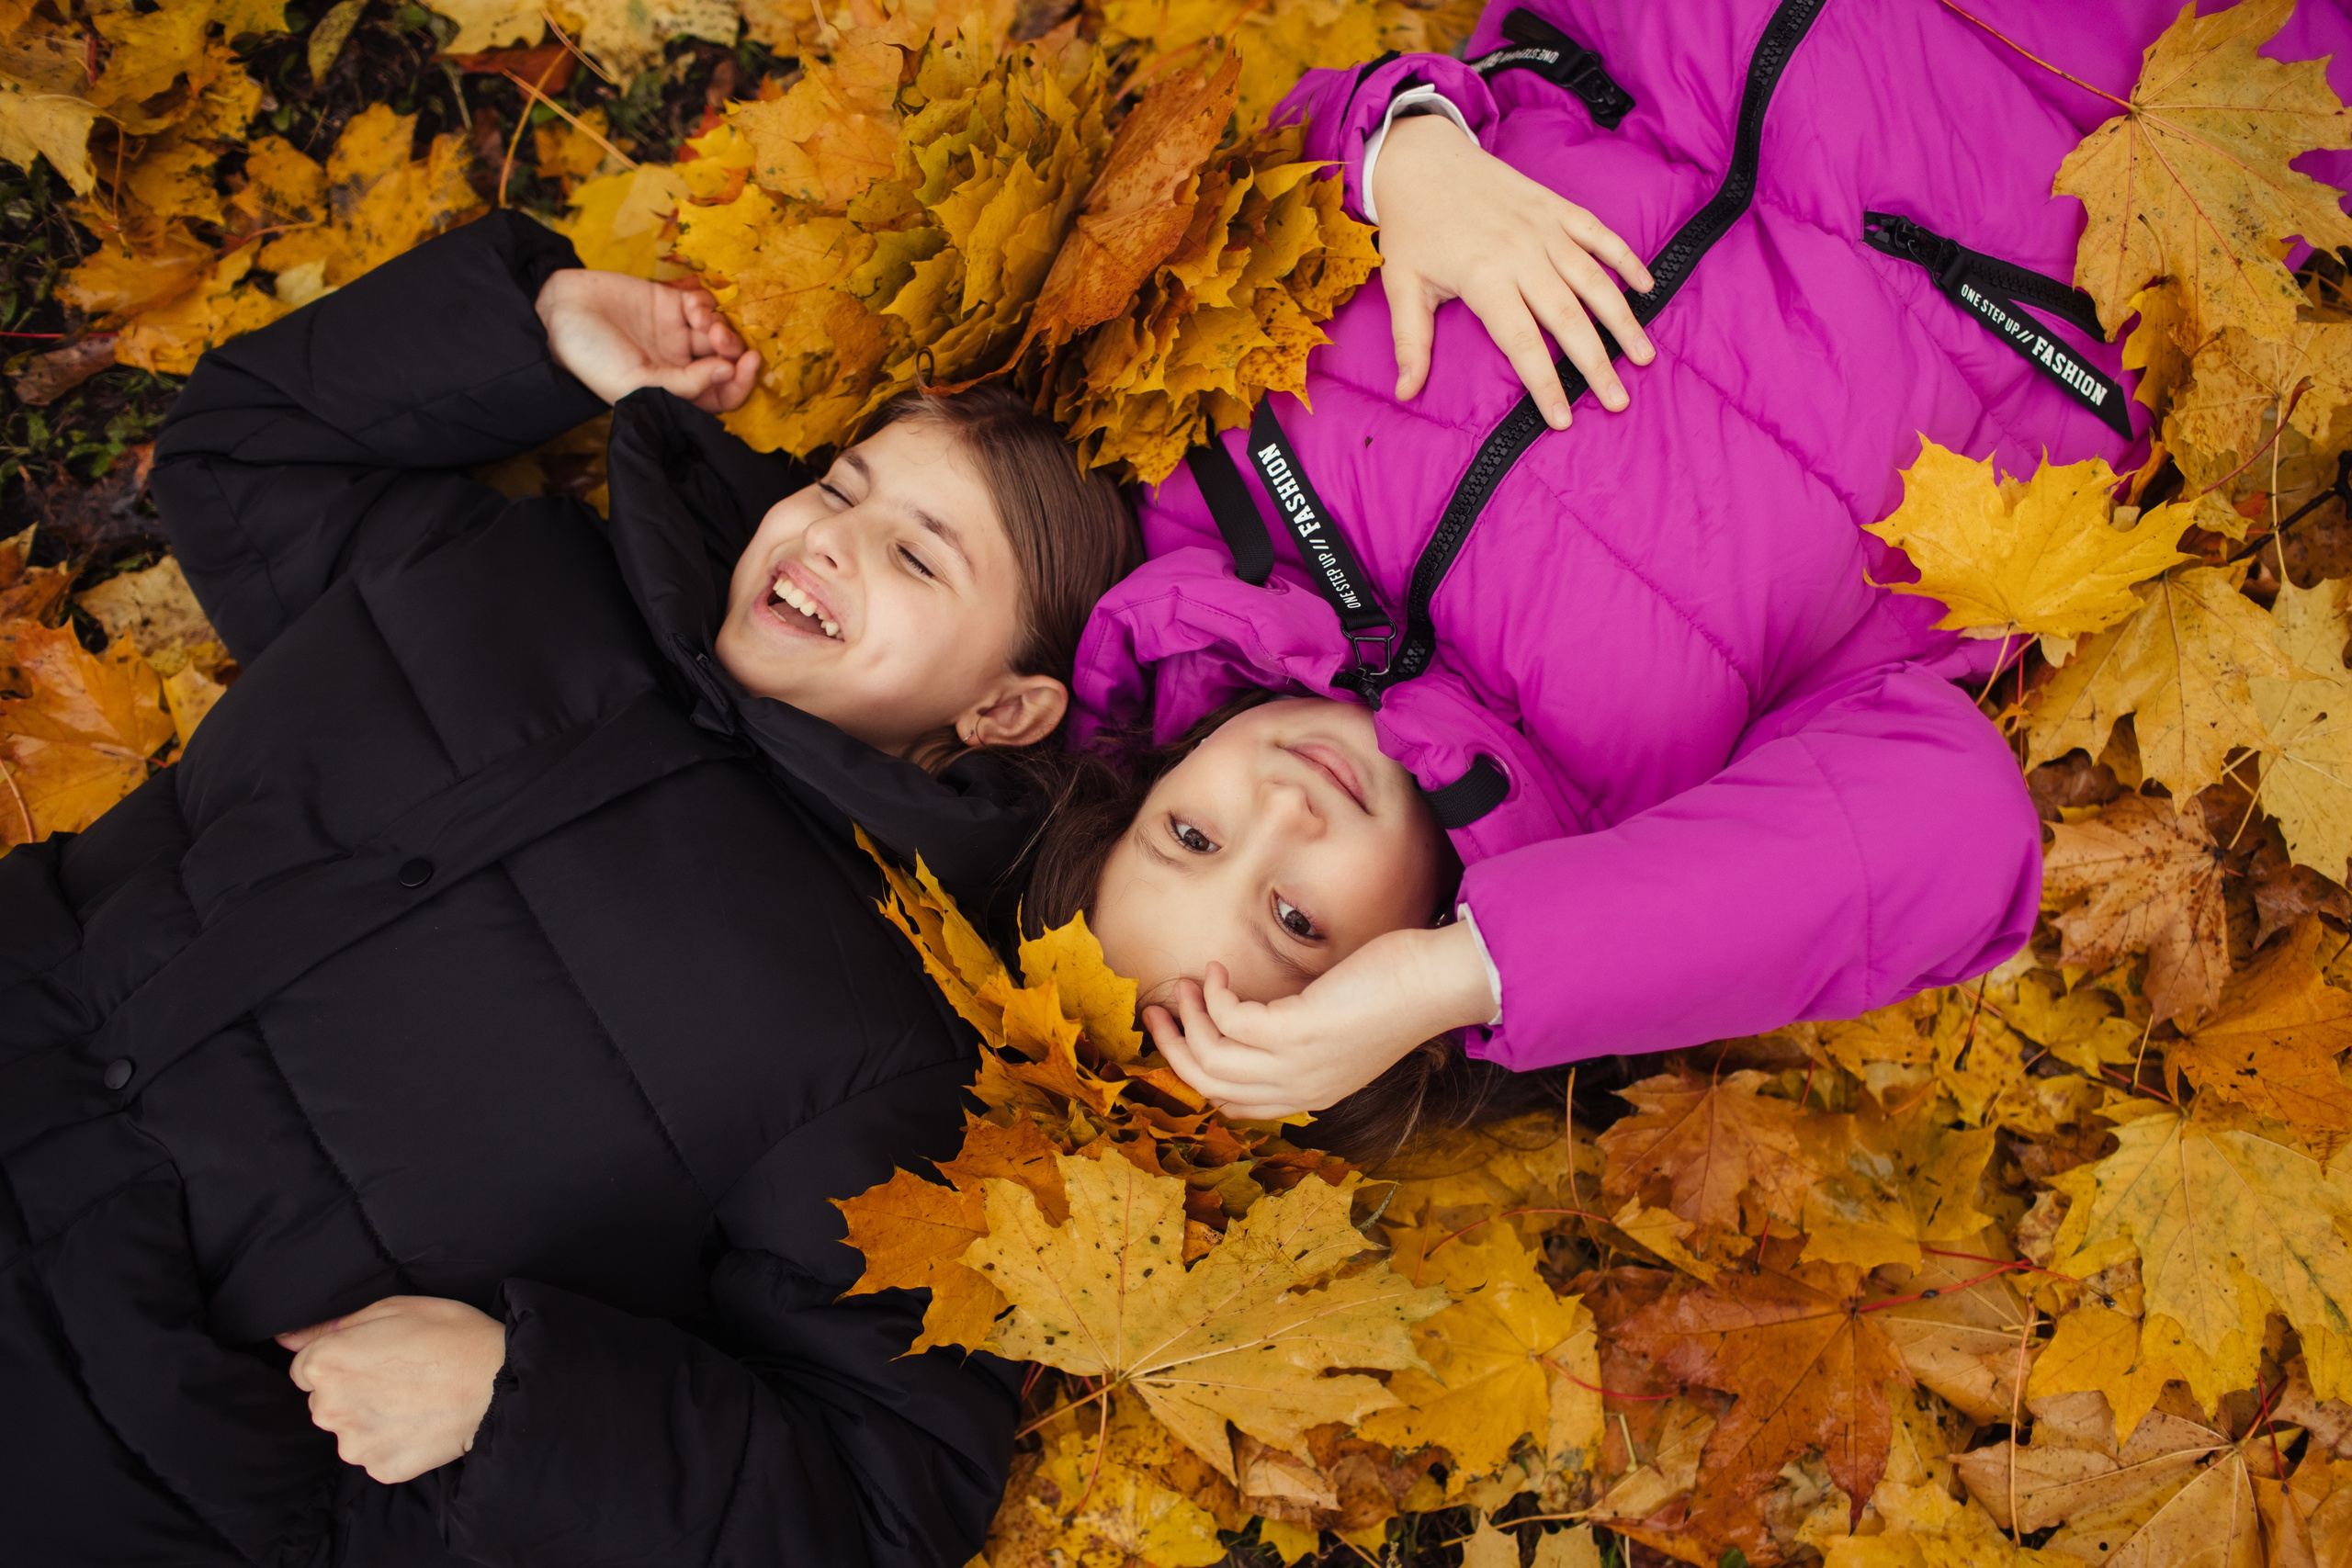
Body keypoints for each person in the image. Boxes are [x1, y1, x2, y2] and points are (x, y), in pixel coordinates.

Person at [0, 211, 1138, 1565]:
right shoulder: (517, 570)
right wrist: (538, 324)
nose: (836, 539)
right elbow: (245, 449)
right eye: (842, 489)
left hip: (122, 1434)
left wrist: (519, 1399)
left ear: (1005, 709)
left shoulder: (882, 1042)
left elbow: (883, 1498)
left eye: (918, 556)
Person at [1032, 0, 2352, 1131]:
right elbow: (1950, 832)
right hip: (2097, 106)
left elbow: (1257, 172)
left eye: (1190, 834)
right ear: (1378, 970)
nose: (1283, 812)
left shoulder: (1203, 515)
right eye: (1297, 921)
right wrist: (1483, 976)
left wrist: (1403, 152)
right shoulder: (1643, 818)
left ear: (1146, 776)